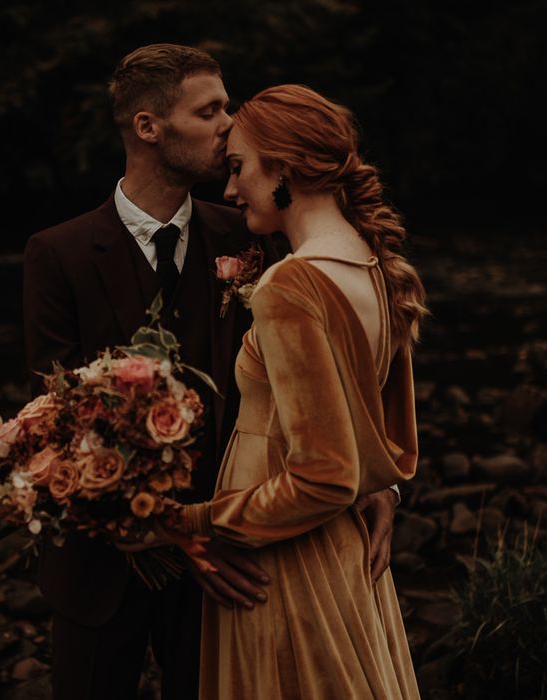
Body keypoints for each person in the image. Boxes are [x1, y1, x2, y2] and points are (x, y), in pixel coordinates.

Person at [23, 44, 399, 700]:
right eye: (211, 110)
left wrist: (381, 483)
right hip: (102, 564)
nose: (231, 122)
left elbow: (340, 358)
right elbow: (53, 419)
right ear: (148, 127)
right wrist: (151, 526)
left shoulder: (254, 235)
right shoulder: (60, 253)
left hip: (231, 562)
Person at [178, 84, 427, 699]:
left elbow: (323, 475)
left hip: (282, 564)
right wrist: (385, 490)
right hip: (336, 548)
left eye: (238, 168)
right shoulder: (373, 266)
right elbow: (384, 436)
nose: (230, 191)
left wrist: (195, 522)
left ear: (283, 168)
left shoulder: (292, 284)